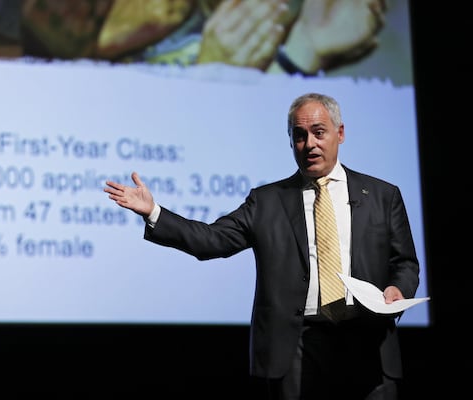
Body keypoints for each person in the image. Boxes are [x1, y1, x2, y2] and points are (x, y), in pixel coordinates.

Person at [103, 92, 419, 400]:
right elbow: (211, 240)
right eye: (299, 135)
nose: (309, 144)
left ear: (340, 133)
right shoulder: (267, 201)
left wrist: (398, 290)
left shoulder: (381, 195)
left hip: (366, 342)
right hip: (296, 347)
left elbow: (404, 262)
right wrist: (154, 212)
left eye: (318, 132)